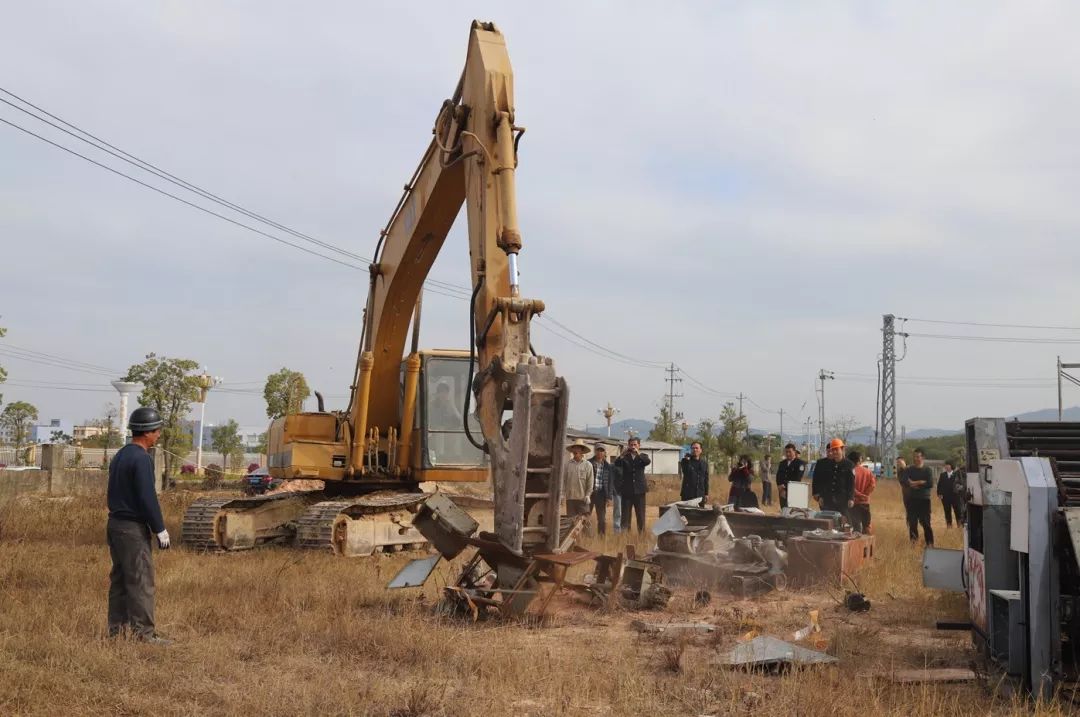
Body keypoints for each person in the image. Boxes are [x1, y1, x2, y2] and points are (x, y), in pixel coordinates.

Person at [106, 406, 171, 644]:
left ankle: (116, 631)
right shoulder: (142, 458)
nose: (159, 435)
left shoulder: (121, 455)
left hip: (114, 524)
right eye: (157, 430)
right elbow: (147, 497)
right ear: (148, 432)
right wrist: (159, 528)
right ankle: (144, 634)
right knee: (141, 580)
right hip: (132, 529)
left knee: (121, 580)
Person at [811, 438, 855, 518]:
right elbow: (825, 483)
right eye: (833, 450)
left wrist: (851, 498)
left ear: (842, 449)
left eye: (836, 449)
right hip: (828, 500)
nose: (834, 452)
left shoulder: (849, 464)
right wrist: (821, 496)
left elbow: (851, 483)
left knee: (844, 523)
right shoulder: (828, 464)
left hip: (843, 500)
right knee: (827, 522)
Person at [615, 437, 650, 533]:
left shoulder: (643, 456)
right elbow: (617, 463)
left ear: (639, 445)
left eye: (635, 444)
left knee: (640, 515)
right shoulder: (625, 457)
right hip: (627, 491)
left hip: (640, 491)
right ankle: (625, 535)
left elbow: (647, 462)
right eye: (631, 445)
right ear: (628, 445)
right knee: (625, 515)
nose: (633, 446)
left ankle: (641, 534)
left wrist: (638, 453)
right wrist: (622, 454)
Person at [901, 448, 935, 547]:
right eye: (914, 457)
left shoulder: (927, 470)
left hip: (924, 500)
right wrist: (921, 482)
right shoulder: (909, 469)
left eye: (918, 456)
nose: (915, 459)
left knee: (926, 523)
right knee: (912, 523)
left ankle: (930, 544)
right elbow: (905, 481)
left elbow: (930, 484)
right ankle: (913, 543)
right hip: (912, 499)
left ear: (923, 457)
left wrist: (915, 482)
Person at [562, 440, 594, 519]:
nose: (576, 450)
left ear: (582, 451)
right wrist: (562, 495)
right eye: (574, 448)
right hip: (570, 499)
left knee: (585, 522)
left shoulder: (588, 465)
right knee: (571, 522)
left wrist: (587, 495)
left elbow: (590, 482)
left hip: (583, 499)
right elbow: (563, 481)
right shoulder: (567, 465)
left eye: (578, 448)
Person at [848, 449, 876, 533]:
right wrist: (865, 495)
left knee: (855, 528)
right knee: (867, 527)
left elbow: (849, 488)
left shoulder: (849, 472)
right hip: (865, 503)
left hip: (853, 503)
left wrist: (859, 495)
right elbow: (872, 485)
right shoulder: (868, 472)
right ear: (859, 460)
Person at [588, 444, 614, 535]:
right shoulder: (588, 463)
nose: (600, 452)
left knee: (602, 519)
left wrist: (609, 497)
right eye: (598, 450)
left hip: (601, 494)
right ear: (595, 451)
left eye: (602, 450)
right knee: (586, 516)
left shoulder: (608, 466)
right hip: (589, 494)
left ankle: (601, 537)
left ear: (604, 452)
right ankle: (586, 536)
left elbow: (610, 482)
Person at [775, 443, 807, 509]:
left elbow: (797, 478)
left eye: (790, 452)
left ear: (794, 452)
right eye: (786, 452)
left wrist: (785, 488)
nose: (788, 454)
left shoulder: (800, 463)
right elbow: (778, 476)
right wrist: (780, 486)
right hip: (782, 492)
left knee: (793, 511)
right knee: (784, 510)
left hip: (794, 491)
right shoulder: (782, 463)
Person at [938, 460, 961, 528]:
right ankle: (949, 525)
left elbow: (960, 485)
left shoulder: (957, 474)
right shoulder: (942, 475)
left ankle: (959, 525)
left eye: (948, 465)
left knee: (957, 511)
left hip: (955, 496)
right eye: (946, 465)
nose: (946, 466)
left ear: (951, 466)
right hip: (945, 497)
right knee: (947, 511)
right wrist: (939, 493)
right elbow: (939, 485)